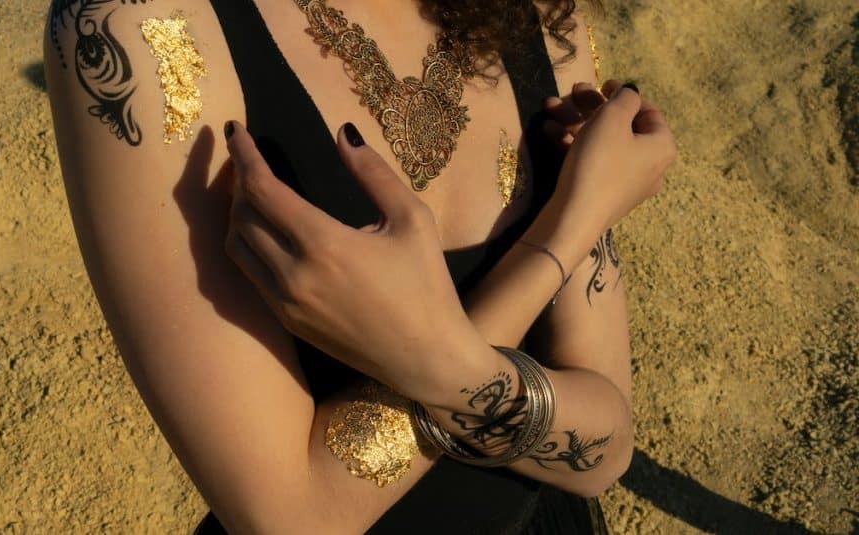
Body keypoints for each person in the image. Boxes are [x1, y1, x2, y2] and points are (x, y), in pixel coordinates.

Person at [43, 0, 676, 533]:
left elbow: (606, 450)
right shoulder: (135, 26)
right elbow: (294, 518)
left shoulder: (532, 9)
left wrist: (437, 358)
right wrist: (570, 226)